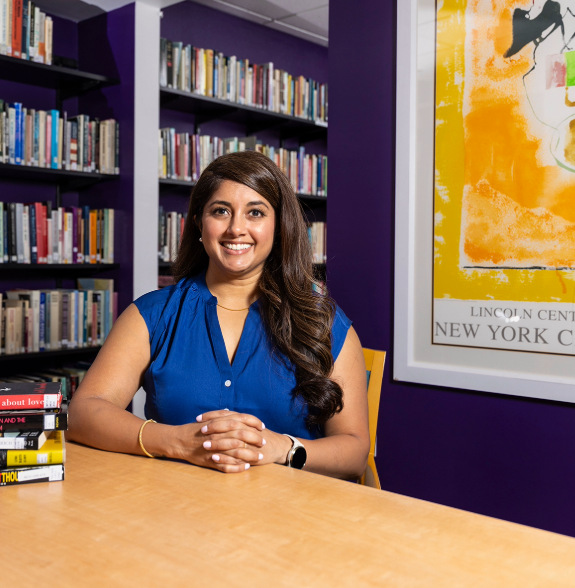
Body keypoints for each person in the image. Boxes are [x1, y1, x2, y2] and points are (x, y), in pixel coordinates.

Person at [68, 151, 370, 480]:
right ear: (199, 222)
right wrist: (175, 442)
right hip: (175, 509)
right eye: (221, 211)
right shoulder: (153, 315)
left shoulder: (322, 321)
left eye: (255, 212)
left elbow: (354, 451)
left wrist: (282, 447)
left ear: (278, 226)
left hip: (292, 516)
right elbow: (82, 413)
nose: (236, 228)